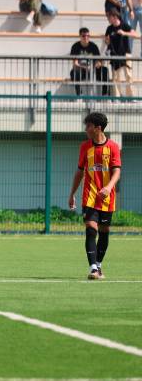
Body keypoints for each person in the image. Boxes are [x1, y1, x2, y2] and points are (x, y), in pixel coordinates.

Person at [68, 112, 121, 281]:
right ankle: (93, 268)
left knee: (104, 231)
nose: (86, 129)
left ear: (98, 128)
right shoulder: (85, 147)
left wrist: (108, 187)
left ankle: (98, 264)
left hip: (107, 199)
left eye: (88, 126)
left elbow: (117, 171)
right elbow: (79, 172)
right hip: (89, 196)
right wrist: (72, 194)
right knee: (91, 229)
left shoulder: (113, 147)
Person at [105, 9, 139, 97]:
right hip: (114, 55)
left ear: (115, 17)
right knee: (115, 77)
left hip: (126, 53)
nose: (108, 19)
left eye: (109, 17)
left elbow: (135, 34)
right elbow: (107, 41)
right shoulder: (109, 28)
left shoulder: (124, 25)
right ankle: (117, 97)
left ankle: (130, 97)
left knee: (128, 75)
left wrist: (124, 33)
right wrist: (107, 41)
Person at [70, 27, 110, 96]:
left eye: (88, 36)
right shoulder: (75, 47)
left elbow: (98, 61)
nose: (86, 38)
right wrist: (85, 67)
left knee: (105, 71)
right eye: (83, 36)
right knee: (74, 73)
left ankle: (105, 95)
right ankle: (79, 95)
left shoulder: (93, 46)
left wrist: (96, 65)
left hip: (93, 69)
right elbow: (75, 63)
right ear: (80, 36)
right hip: (81, 70)